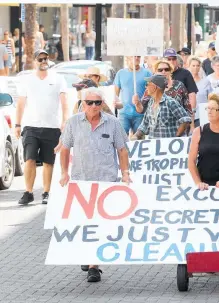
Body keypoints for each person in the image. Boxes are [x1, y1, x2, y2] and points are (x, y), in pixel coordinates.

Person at [59, 87, 131, 283]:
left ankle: (94, 266)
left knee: (99, 224)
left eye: (97, 103)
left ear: (102, 104)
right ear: (83, 104)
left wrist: (125, 173)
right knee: (83, 223)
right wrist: (64, 173)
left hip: (105, 182)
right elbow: (65, 149)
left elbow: (122, 150)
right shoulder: (73, 123)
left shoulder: (113, 123)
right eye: (89, 102)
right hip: (81, 182)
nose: (93, 106)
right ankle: (86, 253)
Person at [15, 50, 68, 205]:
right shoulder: (27, 80)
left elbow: (64, 103)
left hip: (52, 126)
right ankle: (28, 192)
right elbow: (20, 104)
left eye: (46, 58)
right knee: (29, 159)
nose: (44, 61)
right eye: (40, 59)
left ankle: (46, 192)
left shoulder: (58, 79)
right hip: (31, 126)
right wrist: (17, 124)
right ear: (34, 61)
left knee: (48, 162)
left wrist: (65, 121)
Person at [133, 75, 191, 139]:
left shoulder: (170, 102)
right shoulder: (150, 103)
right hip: (154, 146)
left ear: (154, 87)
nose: (146, 87)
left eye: (147, 84)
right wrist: (136, 136)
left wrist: (175, 137)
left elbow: (186, 120)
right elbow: (144, 124)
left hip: (168, 147)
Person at [114, 55, 152, 135]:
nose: (136, 58)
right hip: (124, 112)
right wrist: (116, 103)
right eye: (134, 56)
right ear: (128, 57)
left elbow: (151, 91)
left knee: (138, 140)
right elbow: (116, 93)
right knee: (121, 139)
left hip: (141, 113)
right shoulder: (121, 73)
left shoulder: (147, 73)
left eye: (138, 56)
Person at [164, 48, 198, 128]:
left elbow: (192, 94)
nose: (171, 61)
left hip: (182, 114)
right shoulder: (159, 73)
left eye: (174, 58)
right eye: (169, 59)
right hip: (164, 115)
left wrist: (192, 116)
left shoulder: (185, 73)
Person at [188, 56, 212, 127]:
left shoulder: (206, 82)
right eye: (193, 65)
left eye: (198, 65)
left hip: (202, 115)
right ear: (189, 66)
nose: (195, 67)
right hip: (189, 116)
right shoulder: (185, 82)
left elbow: (210, 98)